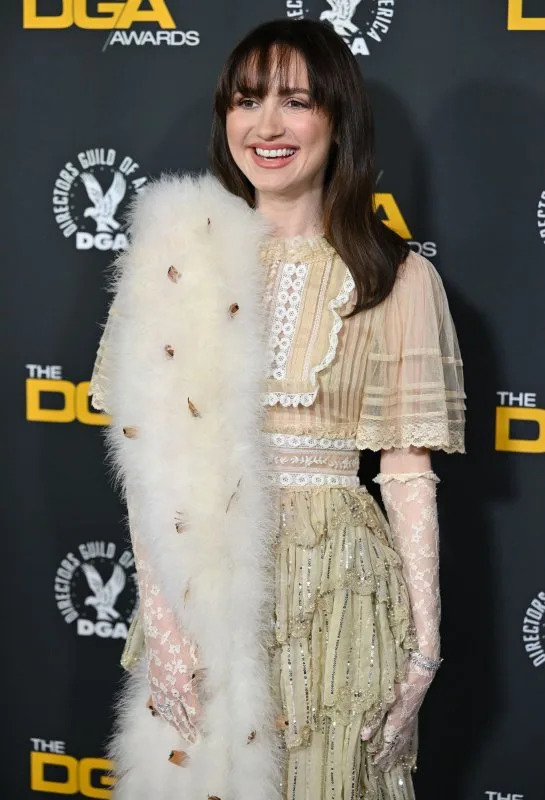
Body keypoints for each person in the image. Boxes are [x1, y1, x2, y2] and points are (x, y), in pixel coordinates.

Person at [89, 18, 466, 800]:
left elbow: (405, 471)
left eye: (294, 101)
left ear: (337, 119)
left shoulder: (396, 279)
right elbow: (150, 462)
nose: (266, 126)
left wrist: (423, 650)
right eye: (246, 100)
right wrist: (163, 627)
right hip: (204, 585)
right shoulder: (172, 259)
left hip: (343, 595)